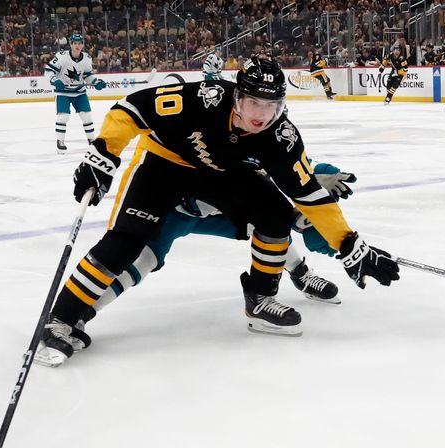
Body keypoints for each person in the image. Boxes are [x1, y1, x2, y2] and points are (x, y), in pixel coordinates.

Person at [37, 58, 399, 361]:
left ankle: (260, 300)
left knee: (276, 213)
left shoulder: (280, 137)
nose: (261, 115)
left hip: (219, 177)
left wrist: (348, 243)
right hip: (164, 165)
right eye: (254, 104)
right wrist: (103, 153)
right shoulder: (203, 99)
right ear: (237, 97)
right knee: (127, 242)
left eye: (270, 106)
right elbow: (131, 109)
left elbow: (309, 195)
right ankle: (62, 319)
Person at [34, 162, 356, 367]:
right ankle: (78, 314)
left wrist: (336, 236)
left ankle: (299, 274)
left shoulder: (276, 152)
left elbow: (299, 197)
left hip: (221, 210)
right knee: (141, 260)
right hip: (176, 209)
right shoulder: (221, 143)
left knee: (271, 224)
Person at [44, 33, 107, 154]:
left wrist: (96, 82)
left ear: (83, 44)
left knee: (87, 116)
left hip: (79, 92)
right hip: (62, 92)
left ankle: (91, 140)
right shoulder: (62, 56)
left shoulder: (87, 58)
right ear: (71, 45)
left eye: (79, 43)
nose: (77, 46)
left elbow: (87, 75)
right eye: (75, 43)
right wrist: (54, 81)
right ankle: (60, 142)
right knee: (63, 117)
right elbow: (48, 71)